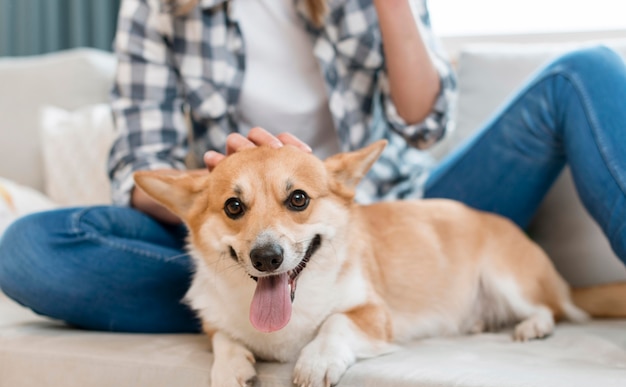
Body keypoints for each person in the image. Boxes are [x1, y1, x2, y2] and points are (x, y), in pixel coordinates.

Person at [0, 0, 624, 333]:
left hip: (395, 211)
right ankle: (254, 308)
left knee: (585, 71)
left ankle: (318, 302)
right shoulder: (158, 9)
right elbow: (138, 166)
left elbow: (423, 124)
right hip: (240, 231)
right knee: (29, 248)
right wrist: (212, 184)